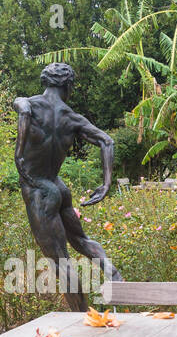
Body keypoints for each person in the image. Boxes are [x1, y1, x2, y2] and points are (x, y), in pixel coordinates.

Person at [13, 62, 121, 311]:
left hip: (39, 189)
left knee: (61, 262)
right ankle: (114, 275)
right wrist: (106, 184)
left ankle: (82, 318)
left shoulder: (30, 105)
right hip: (59, 187)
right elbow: (106, 141)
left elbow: (21, 105)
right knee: (82, 240)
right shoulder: (72, 118)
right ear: (68, 86)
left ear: (46, 82)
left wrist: (22, 107)